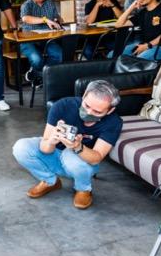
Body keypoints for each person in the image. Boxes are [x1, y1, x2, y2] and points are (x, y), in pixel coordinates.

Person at [11, 80, 123, 210]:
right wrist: (51, 141)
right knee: (21, 148)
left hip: (81, 163)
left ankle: (83, 189)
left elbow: (96, 158)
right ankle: (50, 181)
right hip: (54, 153)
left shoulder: (114, 122)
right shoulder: (63, 106)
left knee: (70, 155)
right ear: (84, 94)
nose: (89, 112)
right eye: (86, 105)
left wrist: (77, 147)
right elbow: (44, 148)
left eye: (97, 112)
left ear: (110, 110)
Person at [18, 0, 63, 83]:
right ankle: (44, 77)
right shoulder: (27, 5)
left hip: (47, 39)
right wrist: (45, 20)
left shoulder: (50, 4)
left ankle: (36, 74)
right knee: (37, 59)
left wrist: (57, 20)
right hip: (28, 40)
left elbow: (57, 17)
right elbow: (26, 18)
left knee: (59, 55)